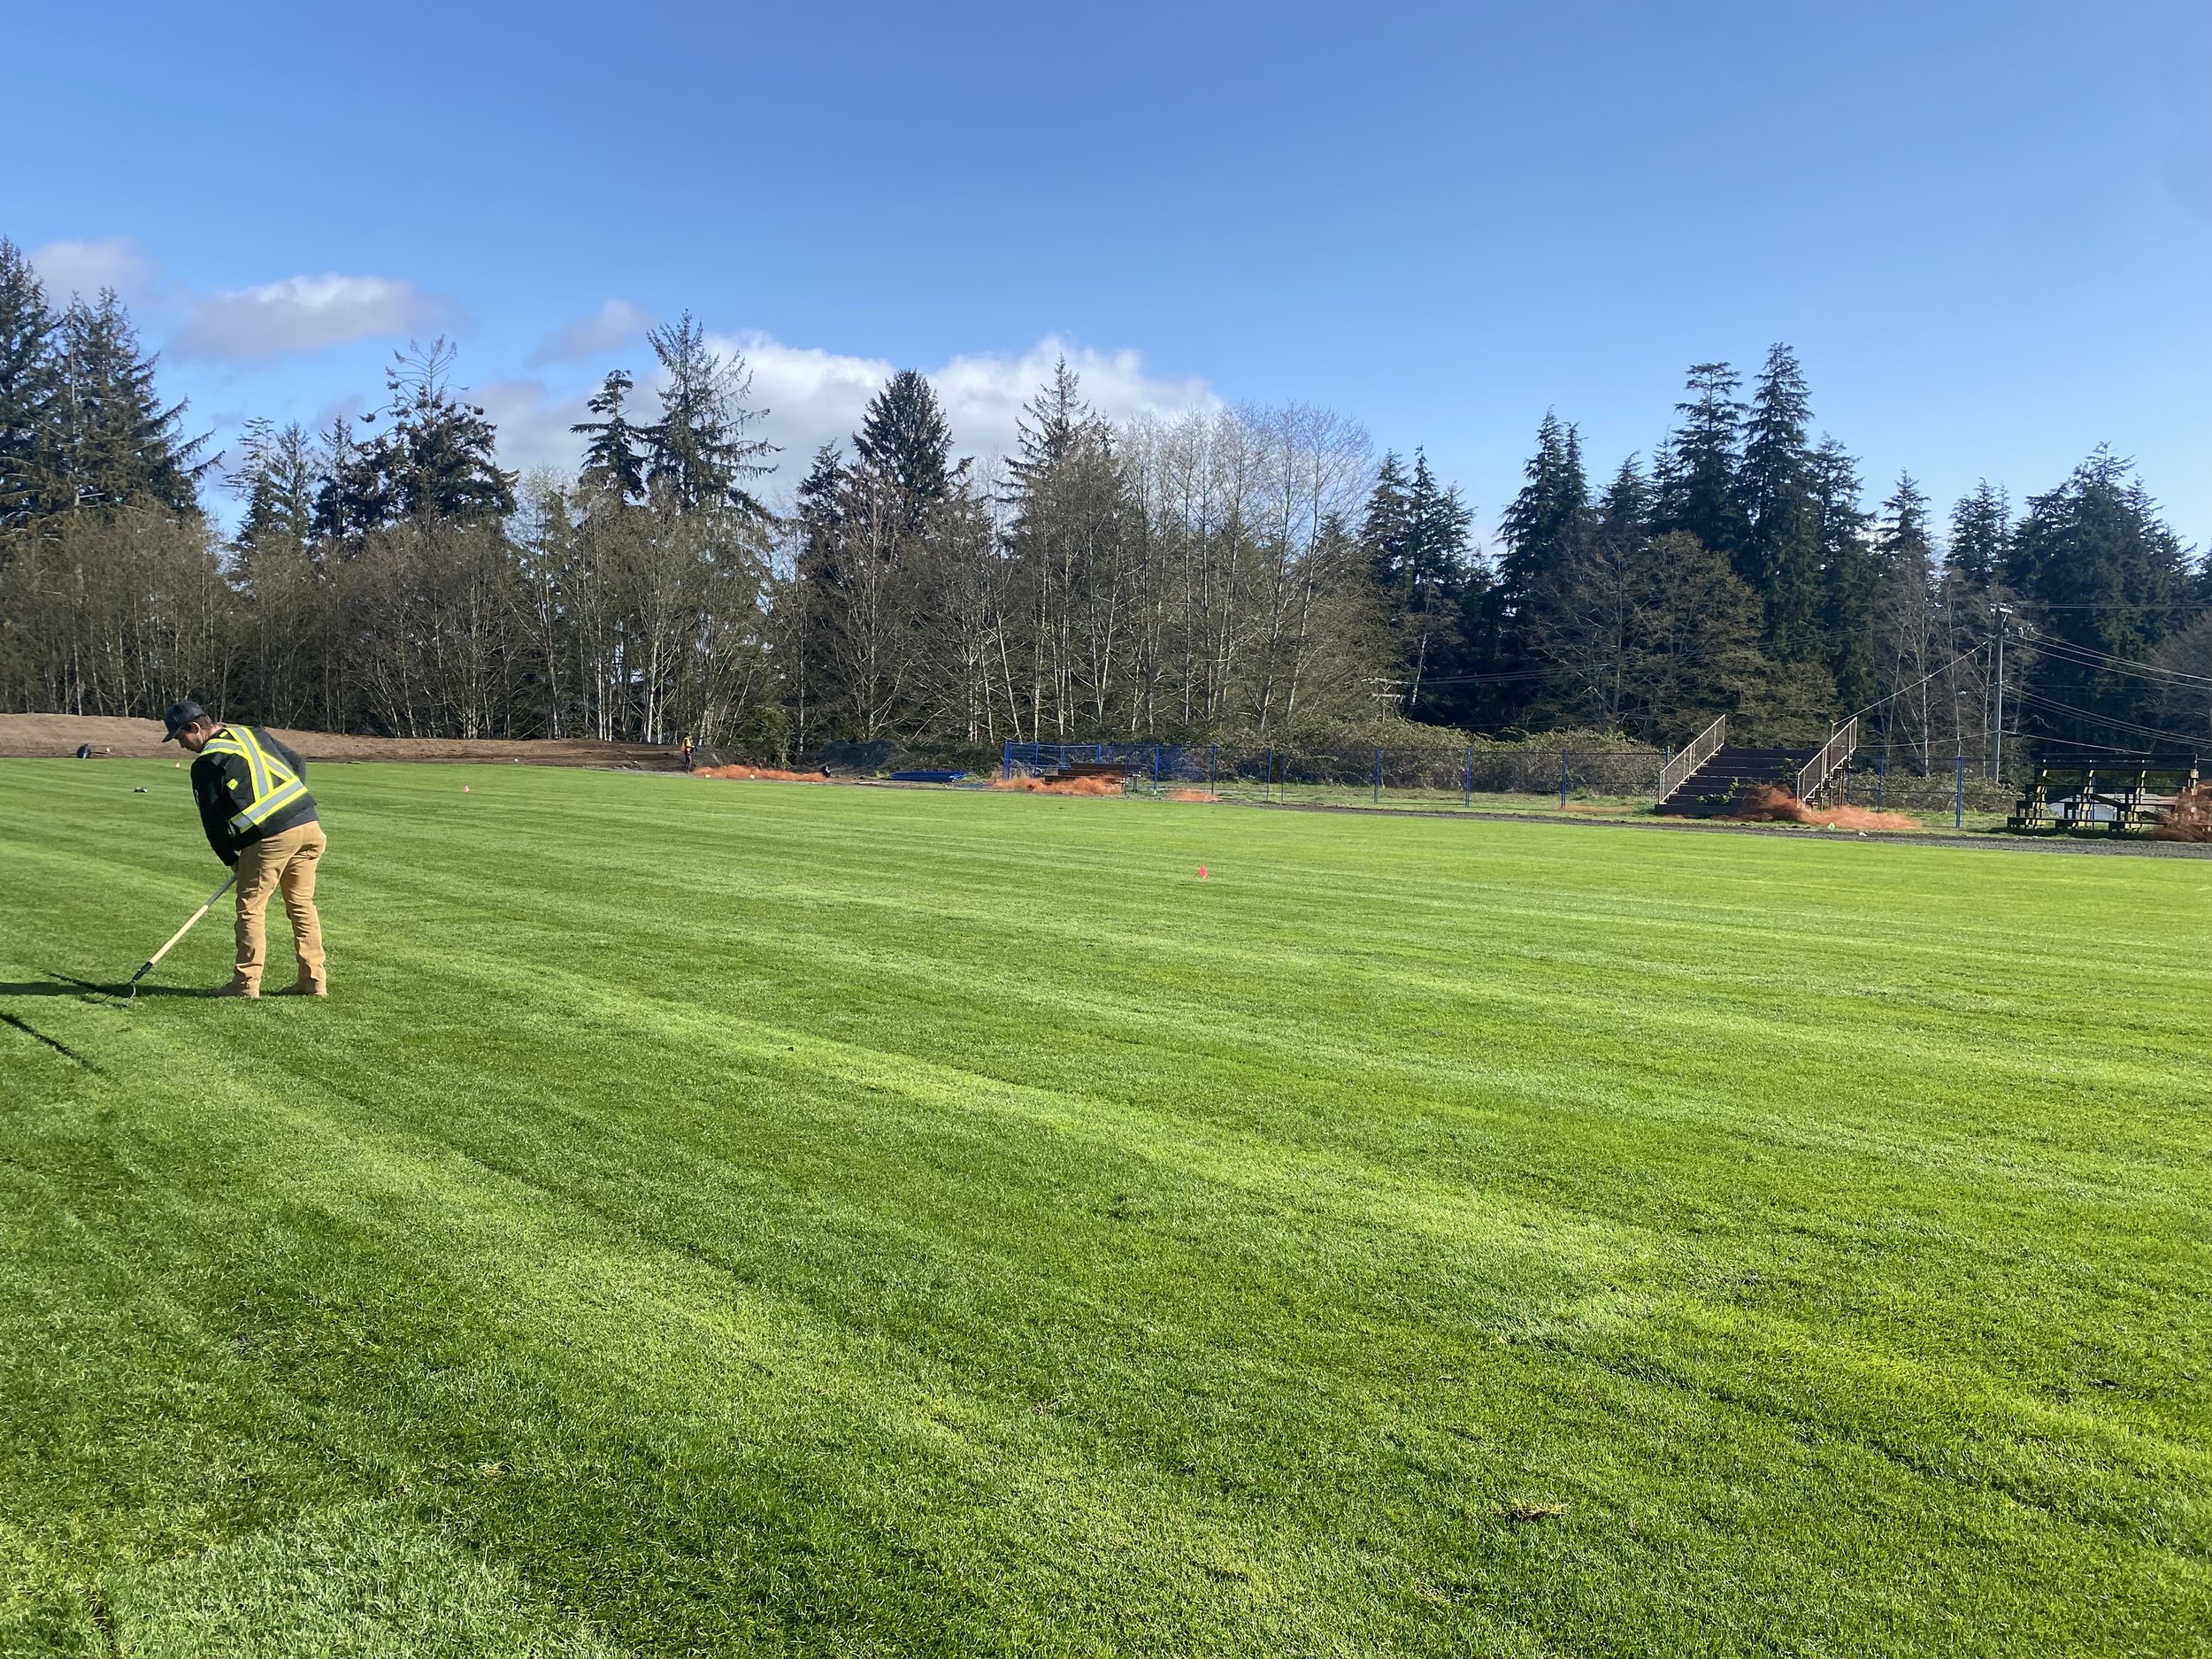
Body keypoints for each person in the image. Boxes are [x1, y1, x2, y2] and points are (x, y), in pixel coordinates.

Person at [161, 699, 328, 998]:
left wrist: (231, 859)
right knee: (302, 906)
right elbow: (298, 763)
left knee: (251, 910)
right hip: (309, 826)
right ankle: (313, 980)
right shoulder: (254, 734)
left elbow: (211, 822)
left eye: (180, 736)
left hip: (269, 838)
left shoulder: (207, 763)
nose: (181, 745)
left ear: (196, 728)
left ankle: (245, 983)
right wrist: (290, 802)